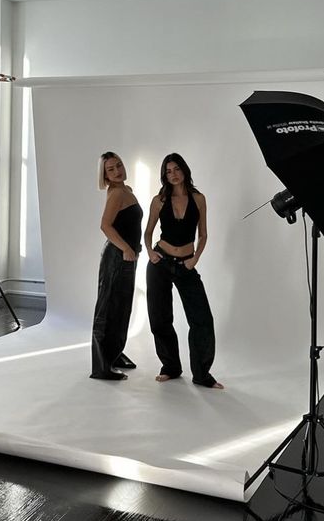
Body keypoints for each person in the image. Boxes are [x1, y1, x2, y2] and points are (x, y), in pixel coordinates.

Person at [144, 153, 224, 389]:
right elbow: (148, 231)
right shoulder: (159, 200)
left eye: (177, 169)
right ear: (164, 176)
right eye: (168, 171)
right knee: (160, 318)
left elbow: (204, 233)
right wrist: (149, 251)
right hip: (160, 262)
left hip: (187, 264)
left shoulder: (199, 198)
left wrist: (195, 259)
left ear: (185, 170)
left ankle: (201, 374)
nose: (173, 174)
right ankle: (170, 367)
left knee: (202, 319)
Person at [90, 152, 142, 381]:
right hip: (117, 257)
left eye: (119, 165)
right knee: (108, 309)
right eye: (111, 169)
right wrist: (126, 248)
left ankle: (115, 354)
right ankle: (101, 366)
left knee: (122, 308)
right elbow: (105, 225)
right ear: (105, 175)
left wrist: (131, 251)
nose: (118, 170)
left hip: (127, 257)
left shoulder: (125, 190)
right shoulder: (117, 193)